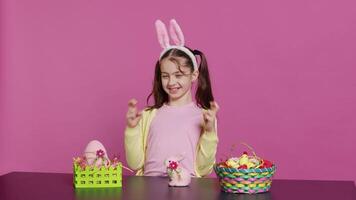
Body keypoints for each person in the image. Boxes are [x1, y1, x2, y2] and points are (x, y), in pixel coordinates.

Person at [124, 19, 219, 177]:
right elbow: (135, 163)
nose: (171, 82)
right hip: (150, 189)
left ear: (194, 75)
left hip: (188, 190)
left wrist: (209, 132)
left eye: (178, 75)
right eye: (165, 76)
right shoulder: (148, 115)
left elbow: (203, 170)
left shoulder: (205, 117)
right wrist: (132, 130)